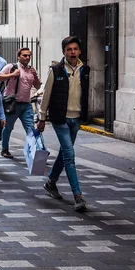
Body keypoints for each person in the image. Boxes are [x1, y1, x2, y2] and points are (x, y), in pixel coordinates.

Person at [38, 36, 89, 212]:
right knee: (70, 155)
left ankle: (51, 182)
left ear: (80, 51)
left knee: (65, 153)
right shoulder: (56, 70)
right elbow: (46, 96)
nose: (72, 52)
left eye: (75, 49)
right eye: (69, 50)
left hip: (76, 119)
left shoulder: (85, 70)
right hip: (61, 119)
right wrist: (42, 118)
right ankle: (78, 196)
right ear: (64, 52)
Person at [0, 47, 42, 158]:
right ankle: (4, 149)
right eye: (24, 55)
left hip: (26, 104)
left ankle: (34, 150)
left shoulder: (31, 70)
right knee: (8, 128)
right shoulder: (12, 67)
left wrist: (35, 75)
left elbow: (38, 86)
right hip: (12, 103)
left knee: (30, 128)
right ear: (18, 56)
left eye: (29, 55)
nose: (27, 57)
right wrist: (12, 75)